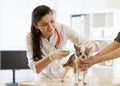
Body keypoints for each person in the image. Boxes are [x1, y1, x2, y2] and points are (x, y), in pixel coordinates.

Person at [26, 5, 97, 80]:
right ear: (36, 25)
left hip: (65, 76)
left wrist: (87, 50)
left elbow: (89, 43)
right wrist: (51, 57)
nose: (50, 27)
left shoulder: (63, 29)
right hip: (44, 78)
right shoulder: (30, 37)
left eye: (52, 21)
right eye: (44, 24)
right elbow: (35, 68)